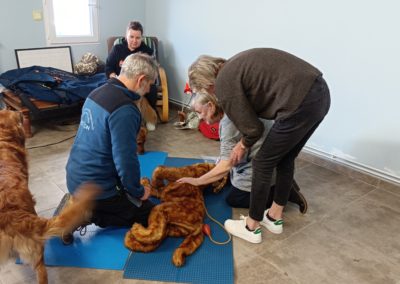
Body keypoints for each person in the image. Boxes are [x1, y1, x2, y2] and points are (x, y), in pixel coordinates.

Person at [187, 48, 330, 243]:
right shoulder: (233, 66)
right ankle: (274, 217)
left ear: (208, 83)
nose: (211, 94)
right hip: (320, 93)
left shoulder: (224, 83)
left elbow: (254, 129)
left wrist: (242, 145)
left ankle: (251, 227)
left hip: (300, 101)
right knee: (286, 158)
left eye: (204, 91)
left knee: (262, 162)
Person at [64, 53, 158, 245]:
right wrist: (138, 191)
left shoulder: (96, 92)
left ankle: (84, 207)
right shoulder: (125, 109)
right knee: (149, 212)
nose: (149, 89)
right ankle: (88, 215)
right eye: (150, 84)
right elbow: (125, 160)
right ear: (141, 79)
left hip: (74, 179)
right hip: (98, 189)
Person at [177, 92, 307, 212]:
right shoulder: (235, 106)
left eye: (200, 112)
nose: (199, 117)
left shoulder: (228, 125)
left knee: (233, 198)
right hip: (272, 159)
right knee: (222, 178)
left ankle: (282, 192)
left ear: (210, 106)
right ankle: (281, 184)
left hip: (261, 166)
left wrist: (198, 181)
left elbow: (226, 165)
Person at [106, 21, 158, 130]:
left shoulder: (147, 51)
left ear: (142, 38)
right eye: (131, 37)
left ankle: (150, 118)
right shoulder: (117, 49)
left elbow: (151, 70)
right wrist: (113, 77)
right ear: (126, 36)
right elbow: (108, 67)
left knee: (152, 89)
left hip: (141, 82)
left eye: (138, 38)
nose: (134, 41)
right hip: (121, 81)